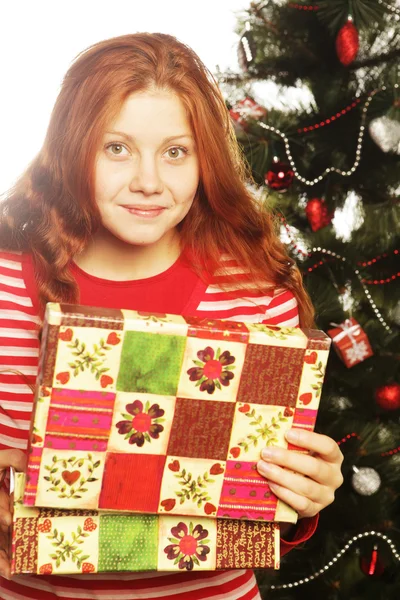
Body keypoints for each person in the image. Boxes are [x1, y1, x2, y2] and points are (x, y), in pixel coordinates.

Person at [0, 32, 344, 600]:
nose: (149, 181)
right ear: (71, 147)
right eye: (117, 148)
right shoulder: (9, 286)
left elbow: (264, 504)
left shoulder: (257, 295)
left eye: (175, 152)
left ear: (204, 159)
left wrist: (304, 493)